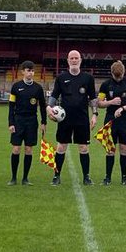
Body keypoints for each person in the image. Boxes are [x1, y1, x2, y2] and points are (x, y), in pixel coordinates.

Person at [47, 50, 98, 186]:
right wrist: (49, 108)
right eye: (72, 58)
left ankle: (86, 177)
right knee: (61, 147)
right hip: (65, 120)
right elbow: (54, 96)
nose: (74, 60)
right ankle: (56, 176)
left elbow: (93, 98)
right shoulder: (61, 77)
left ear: (80, 60)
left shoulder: (88, 78)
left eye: (76, 58)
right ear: (68, 60)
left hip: (82, 119)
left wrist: (94, 114)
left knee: (83, 148)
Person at [97, 60, 126, 186]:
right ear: (111, 73)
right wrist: (110, 102)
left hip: (125, 120)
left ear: (123, 73)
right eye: (116, 76)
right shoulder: (105, 85)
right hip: (110, 119)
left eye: (120, 76)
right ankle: (108, 177)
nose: (118, 78)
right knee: (110, 149)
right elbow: (99, 103)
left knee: (124, 148)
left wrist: (123, 107)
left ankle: (124, 177)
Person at [8, 61, 47, 186]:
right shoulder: (16, 87)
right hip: (18, 120)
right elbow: (11, 107)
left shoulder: (38, 88)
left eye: (32, 70)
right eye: (28, 70)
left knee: (29, 149)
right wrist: (11, 123)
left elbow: (42, 106)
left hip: (32, 121)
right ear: (23, 72)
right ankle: (13, 178)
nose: (30, 72)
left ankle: (25, 178)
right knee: (16, 149)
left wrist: (44, 122)